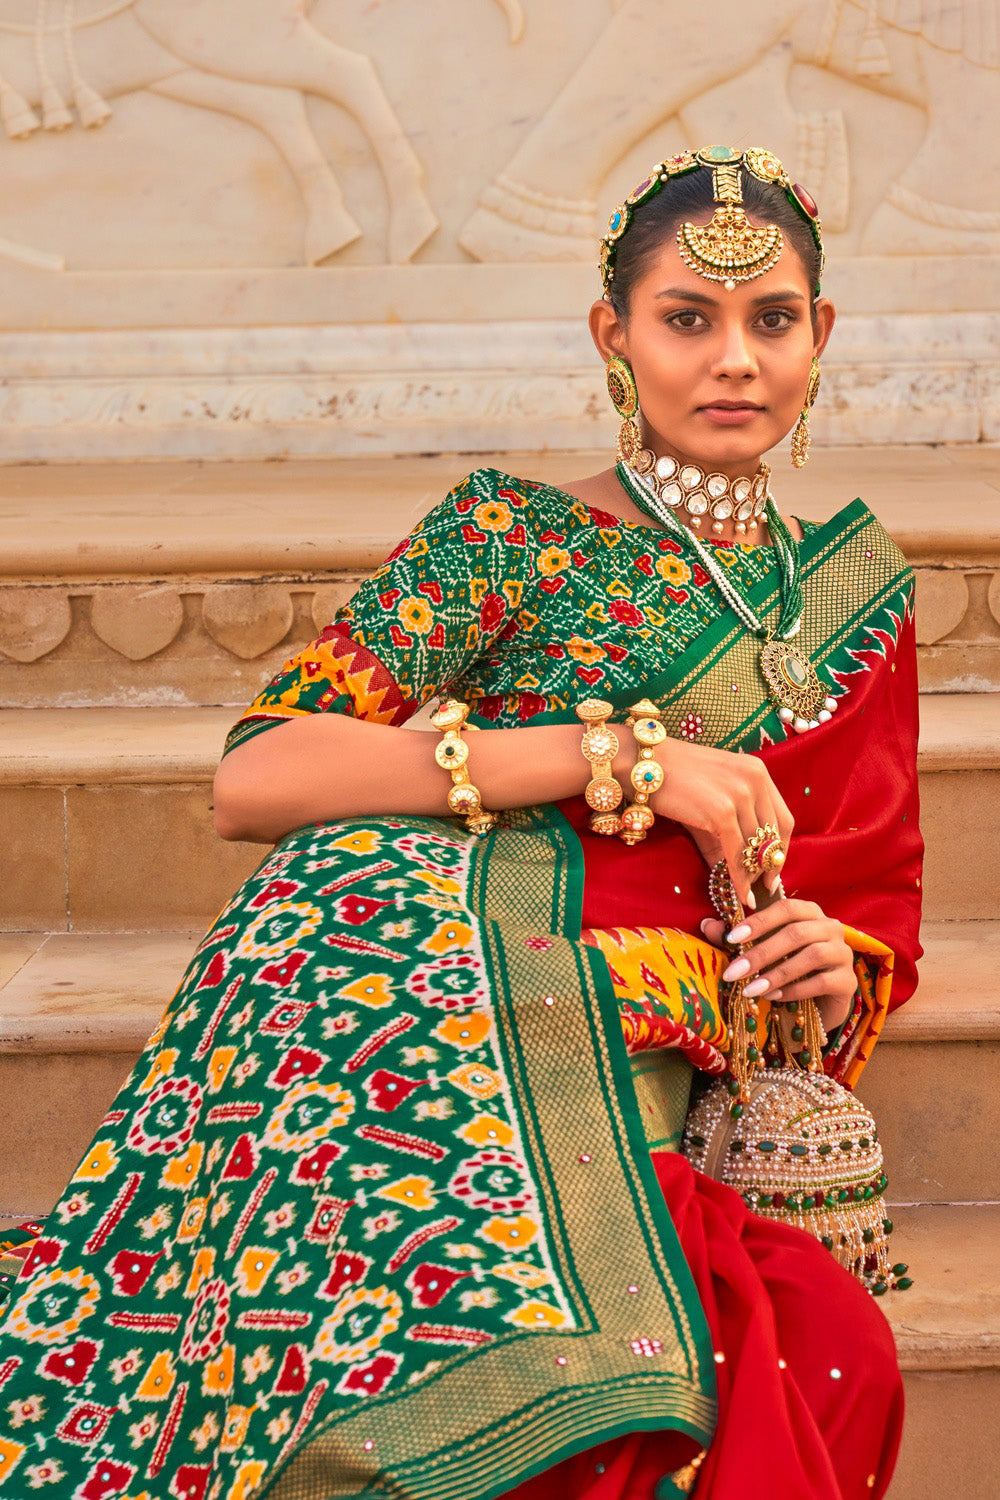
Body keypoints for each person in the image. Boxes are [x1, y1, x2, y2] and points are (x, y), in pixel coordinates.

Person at [0, 145, 922, 1500]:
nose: (735, 360)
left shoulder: (858, 600)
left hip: (639, 1061)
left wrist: (828, 966)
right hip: (433, 999)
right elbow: (258, 775)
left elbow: (868, 902)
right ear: (613, 335)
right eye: (688, 318)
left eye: (771, 320)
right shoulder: (507, 536)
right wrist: (619, 758)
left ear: (820, 334)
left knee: (818, 1351)